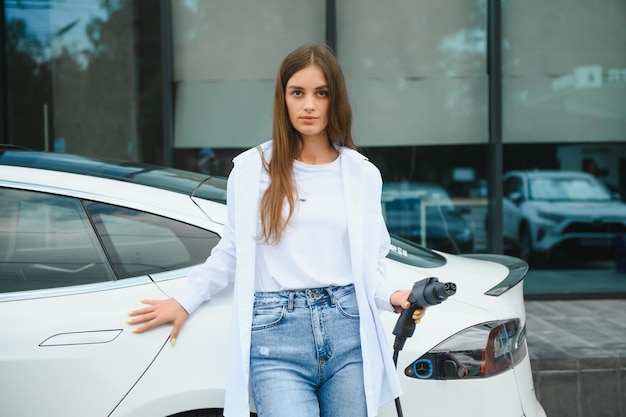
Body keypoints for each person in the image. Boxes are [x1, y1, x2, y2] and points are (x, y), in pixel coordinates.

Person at [127, 43, 425, 417]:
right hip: (276, 336)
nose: (309, 105)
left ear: (336, 100)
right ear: (283, 98)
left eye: (321, 93)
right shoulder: (253, 170)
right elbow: (232, 250)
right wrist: (186, 298)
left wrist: (390, 296)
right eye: (297, 93)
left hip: (349, 329)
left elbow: (370, 259)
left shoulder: (361, 173)